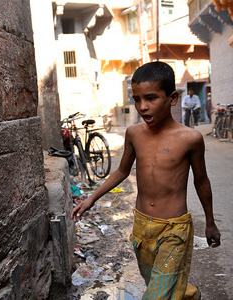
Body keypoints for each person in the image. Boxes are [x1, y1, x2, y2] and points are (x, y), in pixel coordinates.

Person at [71, 62, 221, 300]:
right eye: (137, 99)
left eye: (151, 98)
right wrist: (91, 198)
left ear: (172, 98)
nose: (142, 106)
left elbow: (201, 181)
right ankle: (189, 294)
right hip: (142, 226)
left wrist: (210, 222)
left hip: (174, 228)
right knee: (155, 282)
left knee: (155, 296)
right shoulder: (134, 134)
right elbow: (121, 171)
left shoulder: (190, 138)